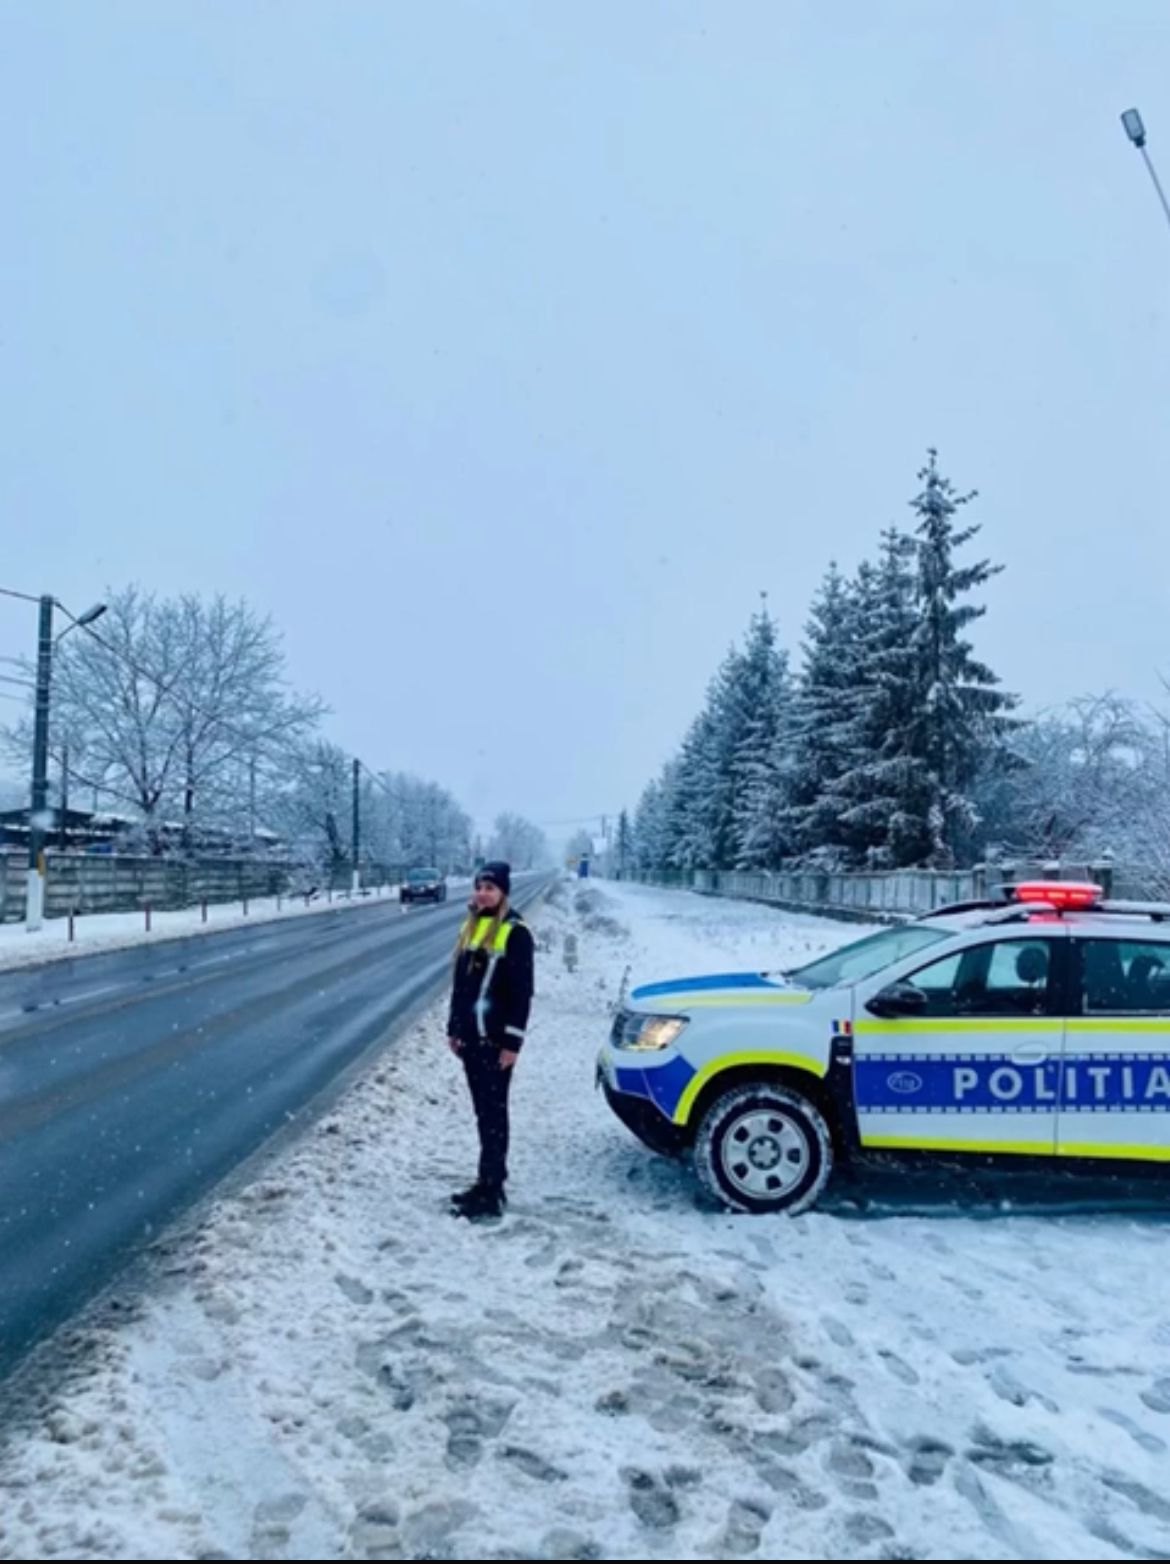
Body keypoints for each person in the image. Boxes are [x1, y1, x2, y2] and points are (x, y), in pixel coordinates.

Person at [446, 862, 535, 1219]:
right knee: (484, 1114)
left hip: (495, 1042)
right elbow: (460, 986)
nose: (483, 893)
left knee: (494, 1115)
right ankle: (486, 1180)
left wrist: (513, 1043)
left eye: (491, 888)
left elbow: (522, 992)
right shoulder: (471, 927)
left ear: (503, 892)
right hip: (471, 1040)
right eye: (479, 886)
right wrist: (454, 1028)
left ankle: (492, 1189)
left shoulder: (515, 932)